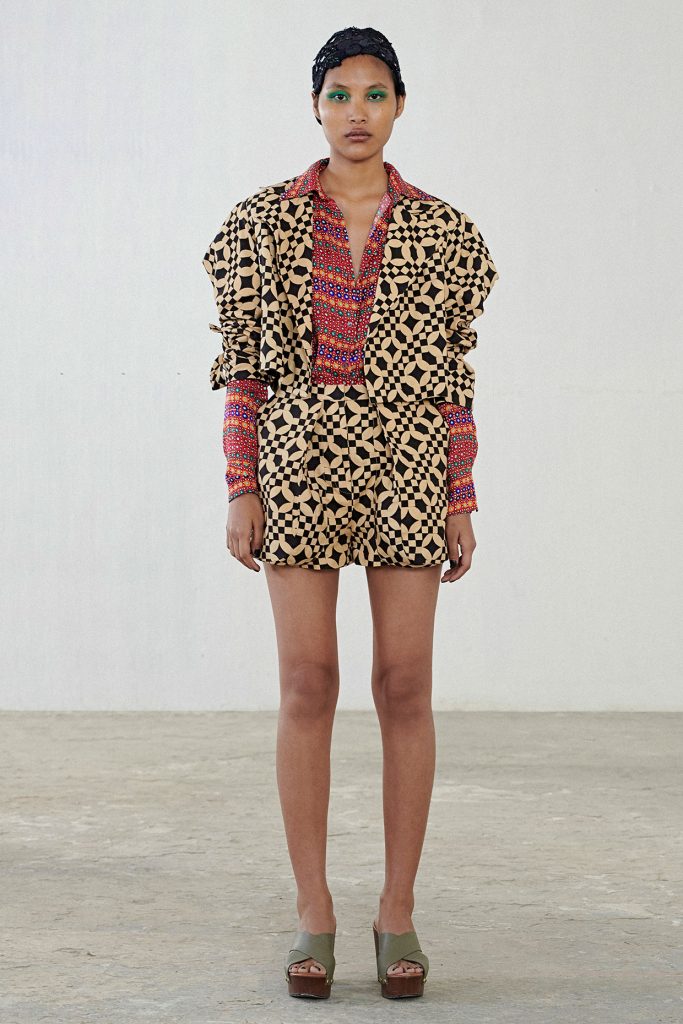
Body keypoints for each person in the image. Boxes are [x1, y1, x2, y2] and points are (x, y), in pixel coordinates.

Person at [202, 25, 499, 1000]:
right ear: (314, 106)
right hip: (295, 463)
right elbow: (243, 370)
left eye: (374, 94)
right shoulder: (261, 224)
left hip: (409, 462)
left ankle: (397, 909)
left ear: (399, 105)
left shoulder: (444, 233)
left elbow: (451, 380)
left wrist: (459, 492)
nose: (356, 112)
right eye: (338, 94)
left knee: (403, 682)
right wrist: (241, 484)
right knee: (307, 680)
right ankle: (313, 909)